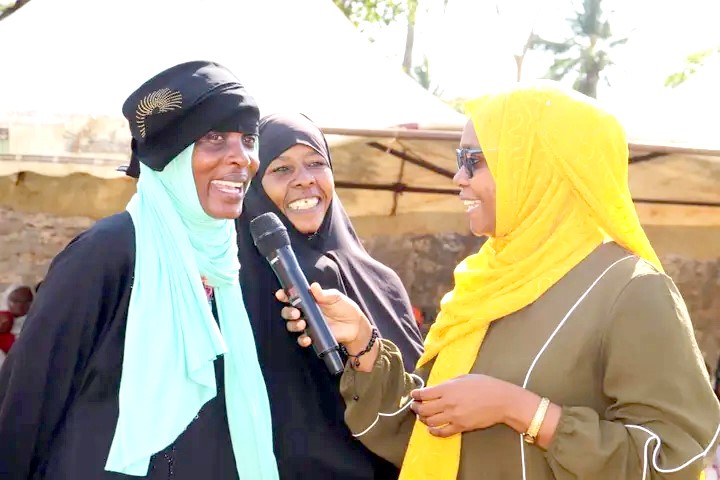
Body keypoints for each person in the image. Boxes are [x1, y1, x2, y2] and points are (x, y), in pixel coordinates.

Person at [279, 82, 720, 479]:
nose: (459, 178)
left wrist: (521, 410)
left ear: (540, 166)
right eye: (459, 160)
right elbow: (430, 432)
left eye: (475, 161)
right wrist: (363, 343)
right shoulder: (484, 281)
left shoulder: (631, 289)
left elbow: (674, 460)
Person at [0, 61, 278, 480]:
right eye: (214, 138)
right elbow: (29, 396)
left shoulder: (235, 265)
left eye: (249, 138)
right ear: (172, 154)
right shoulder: (108, 253)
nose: (242, 158)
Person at [236, 113, 424, 479]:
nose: (304, 179)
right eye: (281, 169)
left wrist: (362, 343)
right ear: (254, 186)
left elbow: (421, 399)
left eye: (316, 164)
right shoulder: (236, 284)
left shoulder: (382, 282)